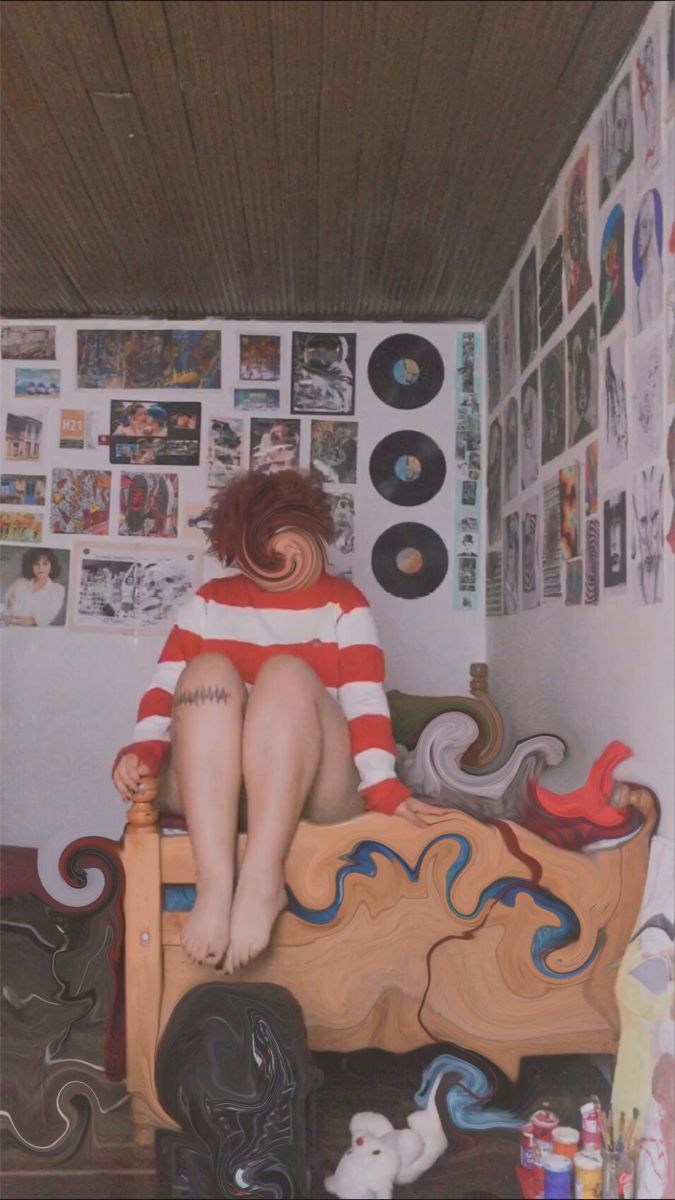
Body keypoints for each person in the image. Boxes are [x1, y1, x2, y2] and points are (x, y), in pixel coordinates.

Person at [112, 470, 444, 973]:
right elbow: (165, 688)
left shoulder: (343, 605)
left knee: (286, 674)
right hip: (213, 785)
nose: (282, 553)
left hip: (310, 784)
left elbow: (364, 700)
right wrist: (142, 751)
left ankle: (263, 880)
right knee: (207, 671)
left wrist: (382, 787)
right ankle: (216, 884)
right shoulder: (209, 602)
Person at [1, 547, 65, 627]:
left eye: (45, 564)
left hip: (35, 635)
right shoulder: (19, 583)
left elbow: (41, 620)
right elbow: (4, 610)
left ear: (52, 566)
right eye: (36, 564)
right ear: (30, 566)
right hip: (8, 630)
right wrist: (6, 617)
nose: (40, 568)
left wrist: (11, 620)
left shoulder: (58, 590)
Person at [635, 189, 663, 332]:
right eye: (639, 226)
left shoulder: (656, 277)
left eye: (645, 226)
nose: (640, 235)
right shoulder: (644, 283)